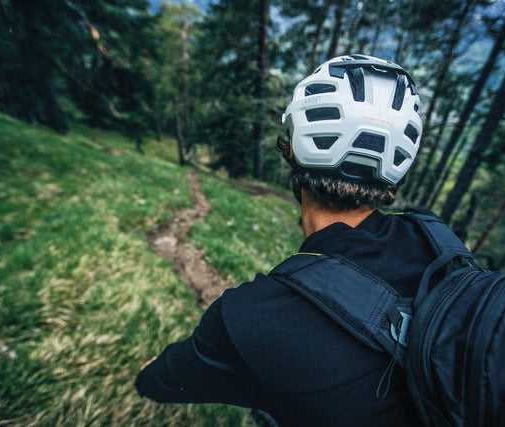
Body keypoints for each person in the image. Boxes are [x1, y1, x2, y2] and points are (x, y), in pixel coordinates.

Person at [136, 54, 430, 426]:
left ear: (291, 146)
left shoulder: (253, 318)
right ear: (398, 168)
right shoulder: (435, 240)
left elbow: (158, 381)